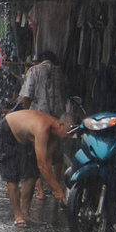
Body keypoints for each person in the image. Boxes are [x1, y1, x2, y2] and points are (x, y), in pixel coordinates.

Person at [0, 110, 75, 228]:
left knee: (32, 173)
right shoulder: (43, 128)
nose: (70, 136)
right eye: (68, 132)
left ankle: (25, 212)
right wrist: (58, 190)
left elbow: (48, 159)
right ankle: (18, 216)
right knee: (12, 178)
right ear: (60, 125)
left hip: (23, 139)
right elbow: (42, 165)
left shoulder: (55, 134)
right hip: (6, 132)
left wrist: (51, 182)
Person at [17, 51, 67, 200]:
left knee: (37, 156)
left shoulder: (34, 70)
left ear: (39, 60)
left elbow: (28, 95)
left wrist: (25, 115)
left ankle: (40, 191)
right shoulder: (61, 73)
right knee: (56, 155)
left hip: (39, 120)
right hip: (57, 120)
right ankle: (55, 186)